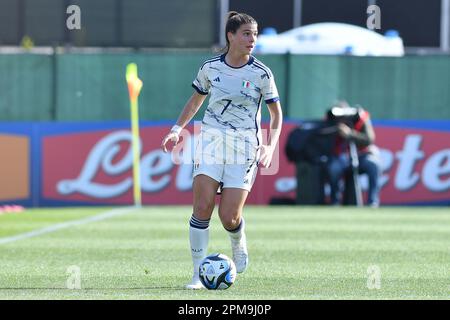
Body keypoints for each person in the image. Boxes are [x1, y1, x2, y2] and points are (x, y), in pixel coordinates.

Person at [161, 11, 283, 289]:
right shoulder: (210, 68)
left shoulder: (262, 73)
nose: (252, 39)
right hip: (211, 144)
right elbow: (195, 101)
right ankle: (197, 274)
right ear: (231, 36)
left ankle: (237, 240)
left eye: (255, 34)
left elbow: (276, 115)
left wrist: (269, 147)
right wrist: (177, 129)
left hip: (244, 149)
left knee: (228, 216)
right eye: (246, 34)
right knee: (202, 206)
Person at [325, 101, 381, 207]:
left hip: (361, 157)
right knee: (334, 169)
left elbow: (369, 139)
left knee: (373, 165)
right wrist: (336, 130)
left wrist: (350, 134)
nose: (343, 119)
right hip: (340, 158)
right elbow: (325, 141)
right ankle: (335, 202)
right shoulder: (331, 121)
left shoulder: (359, 118)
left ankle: (373, 202)